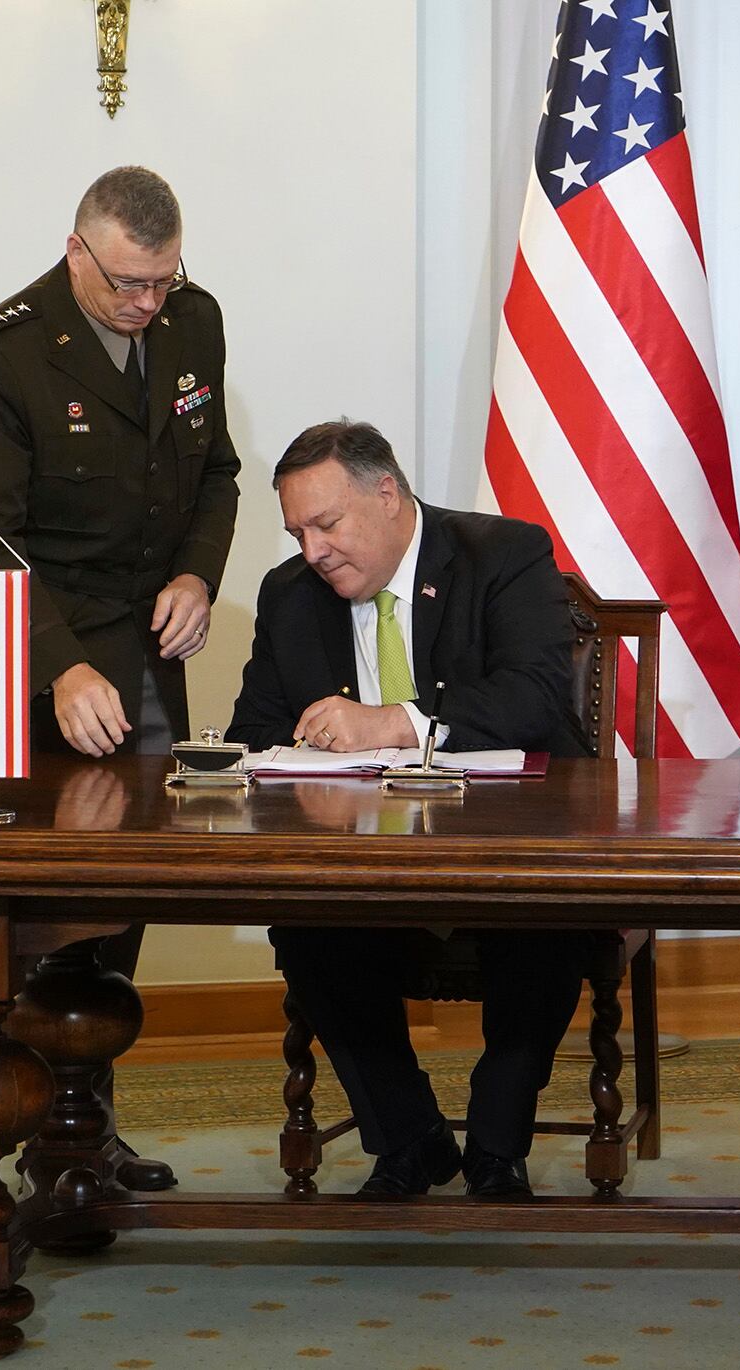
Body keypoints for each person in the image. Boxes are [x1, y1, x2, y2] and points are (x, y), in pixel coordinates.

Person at [0, 165, 241, 1195]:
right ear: (77, 252)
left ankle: (79, 1129)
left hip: (140, 649)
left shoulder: (195, 322)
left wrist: (198, 570)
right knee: (6, 917)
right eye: (126, 284)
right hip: (6, 655)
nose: (147, 303)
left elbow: (219, 473)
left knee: (117, 901)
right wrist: (56, 668)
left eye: (162, 279)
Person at [226, 420, 593, 1198]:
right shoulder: (290, 595)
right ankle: (409, 1137)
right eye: (298, 533)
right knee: (304, 921)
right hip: (363, 853)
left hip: (513, 844)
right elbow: (251, 733)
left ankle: (497, 1145)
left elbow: (534, 695)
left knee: (549, 917)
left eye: (327, 525)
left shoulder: (503, 555)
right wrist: (313, 743)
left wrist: (398, 721)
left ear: (387, 493)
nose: (313, 551)